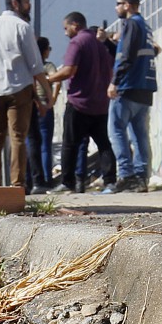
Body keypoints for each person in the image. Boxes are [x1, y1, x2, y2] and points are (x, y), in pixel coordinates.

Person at [0, 0, 46, 187]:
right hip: (19, 89)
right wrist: (46, 91)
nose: (28, 5)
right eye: (26, 1)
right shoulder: (22, 27)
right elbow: (36, 65)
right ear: (15, 3)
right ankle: (17, 184)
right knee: (17, 138)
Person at [44, 12, 115, 193]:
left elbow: (68, 70)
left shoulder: (77, 43)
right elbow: (110, 68)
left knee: (70, 143)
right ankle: (110, 182)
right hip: (100, 104)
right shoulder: (100, 46)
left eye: (66, 28)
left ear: (75, 25)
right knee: (103, 144)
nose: (65, 33)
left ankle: (67, 183)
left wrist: (48, 79)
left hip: (79, 103)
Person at [106, 0, 158, 192]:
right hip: (145, 88)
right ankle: (142, 177)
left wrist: (115, 81)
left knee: (116, 130)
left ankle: (126, 175)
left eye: (118, 3)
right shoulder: (145, 26)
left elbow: (126, 55)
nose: (116, 7)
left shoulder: (130, 24)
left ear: (127, 5)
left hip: (128, 86)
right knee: (140, 134)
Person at [28, 35, 59, 192]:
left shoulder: (29, 65)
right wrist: (52, 99)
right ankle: (47, 179)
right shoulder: (47, 66)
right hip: (45, 106)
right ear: (45, 50)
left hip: (30, 105)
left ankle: (30, 178)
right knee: (46, 145)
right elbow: (58, 80)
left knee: (30, 143)